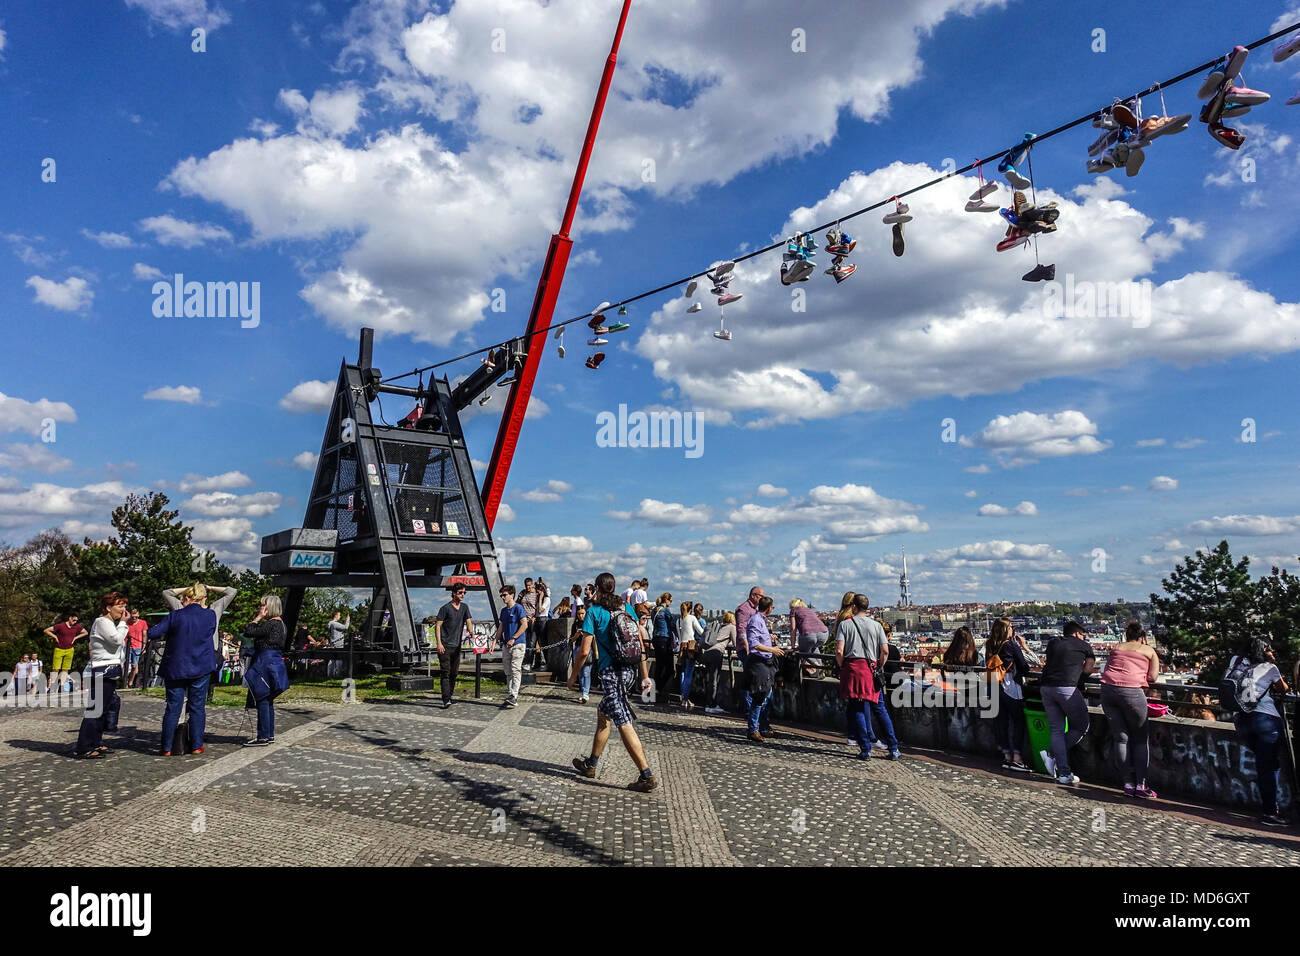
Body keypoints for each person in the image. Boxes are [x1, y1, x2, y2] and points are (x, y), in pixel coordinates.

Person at [567, 572, 658, 792]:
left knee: (623, 721)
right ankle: (591, 764)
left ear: (597, 589)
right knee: (603, 713)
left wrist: (572, 677)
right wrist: (645, 675)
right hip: (629, 672)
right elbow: (640, 645)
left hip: (611, 675)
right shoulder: (626, 609)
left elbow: (584, 651)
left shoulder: (594, 612)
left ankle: (646, 775)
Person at [1224, 637, 1292, 826]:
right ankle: (1270, 812)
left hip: (1241, 721)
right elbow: (1283, 689)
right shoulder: (1270, 668)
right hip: (1265, 721)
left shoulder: (1236, 661)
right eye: (1269, 649)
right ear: (1265, 651)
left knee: (1266, 764)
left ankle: (1271, 806)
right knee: (1268, 767)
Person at [150, 583, 218, 755]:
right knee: (197, 707)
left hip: (176, 666)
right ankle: (196, 744)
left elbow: (153, 633)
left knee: (173, 707)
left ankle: (166, 747)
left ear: (187, 597)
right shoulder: (210, 615)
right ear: (202, 598)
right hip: (201, 665)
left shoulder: (175, 615)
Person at [1100, 622, 1160, 799]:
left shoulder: (1117, 647)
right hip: (1132, 692)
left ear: (1126, 636)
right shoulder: (1148, 650)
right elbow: (1153, 677)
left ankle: (1127, 783)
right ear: (1142, 638)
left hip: (1107, 691)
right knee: (1140, 740)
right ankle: (1141, 786)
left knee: (1121, 738)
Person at [1039, 620, 1096, 785]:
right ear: (1078, 634)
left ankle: (1064, 773)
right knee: (1081, 726)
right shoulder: (1083, 645)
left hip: (1046, 687)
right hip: (1066, 688)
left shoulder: (1053, 643)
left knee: (1056, 730)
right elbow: (1088, 668)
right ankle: (1051, 754)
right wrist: (1080, 677)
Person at [74, 592, 129, 758]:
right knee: (95, 710)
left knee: (103, 710)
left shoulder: (110, 623)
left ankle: (95, 742)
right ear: (108, 608)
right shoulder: (102, 622)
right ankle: (84, 746)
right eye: (120, 606)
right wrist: (124, 624)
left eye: (124, 606)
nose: (123, 610)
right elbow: (116, 640)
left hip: (108, 670)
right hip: (101, 670)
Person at [984, 618, 1034, 772]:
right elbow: (1024, 668)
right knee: (1018, 721)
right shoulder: (1010, 645)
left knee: (1001, 722)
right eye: (1011, 627)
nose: (1013, 629)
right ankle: (1017, 758)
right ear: (1006, 629)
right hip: (1010, 687)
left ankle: (1006, 756)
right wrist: (1024, 648)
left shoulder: (990, 645)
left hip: (993, 686)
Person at [242, 595, 290, 745]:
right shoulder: (282, 624)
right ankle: (269, 734)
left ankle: (262, 736)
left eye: (262, 606)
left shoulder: (270, 624)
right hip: (275, 662)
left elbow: (249, 631)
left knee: (262, 698)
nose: (259, 608)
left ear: (269, 607)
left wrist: (257, 618)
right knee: (268, 699)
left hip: (265, 662)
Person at [742, 596, 784, 741]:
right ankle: (753, 730)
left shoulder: (761, 620)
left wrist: (769, 638)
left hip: (767, 662)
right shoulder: (755, 620)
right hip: (759, 662)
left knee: (768, 695)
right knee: (759, 697)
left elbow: (759, 640)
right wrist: (772, 650)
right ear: (769, 608)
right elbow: (754, 644)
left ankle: (764, 727)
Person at [434, 585, 474, 709]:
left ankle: (450, 696)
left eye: (464, 593)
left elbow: (468, 622)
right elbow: (438, 626)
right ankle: (446, 699)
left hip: (457, 646)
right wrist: (439, 643)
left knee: (454, 673)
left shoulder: (465, 607)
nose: (463, 595)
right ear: (454, 593)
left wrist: (471, 632)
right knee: (445, 672)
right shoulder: (445, 608)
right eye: (460, 592)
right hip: (445, 646)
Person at [491, 584, 528, 708]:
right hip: (506, 645)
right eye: (501, 595)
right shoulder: (503, 611)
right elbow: (501, 627)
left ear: (512, 595)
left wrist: (514, 638)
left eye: (505, 595)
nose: (502, 597)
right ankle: (510, 694)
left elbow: (524, 625)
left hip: (518, 644)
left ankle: (514, 695)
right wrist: (494, 641)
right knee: (507, 671)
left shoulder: (518, 608)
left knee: (515, 668)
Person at [701, 611, 736, 714]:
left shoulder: (720, 627)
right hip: (716, 653)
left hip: (707, 653)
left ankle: (708, 703)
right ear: (731, 619)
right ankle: (712, 705)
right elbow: (735, 643)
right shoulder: (731, 627)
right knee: (715, 679)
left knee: (710, 679)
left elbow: (721, 640)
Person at [44, 613, 87, 693]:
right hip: (59, 649)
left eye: (76, 621)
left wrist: (75, 638)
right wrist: (55, 636)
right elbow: (46, 630)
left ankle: (62, 686)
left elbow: (85, 632)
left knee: (65, 669)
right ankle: (53, 686)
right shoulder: (61, 626)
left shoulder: (76, 626)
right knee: (55, 669)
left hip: (70, 649)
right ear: (70, 618)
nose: (75, 622)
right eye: (74, 620)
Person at [789, 598, 828, 678]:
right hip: (824, 634)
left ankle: (818, 667)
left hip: (809, 634)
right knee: (814, 648)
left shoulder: (794, 610)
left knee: (802, 652)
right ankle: (821, 672)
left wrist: (793, 647)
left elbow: (793, 629)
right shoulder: (809, 610)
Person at [650, 592, 678, 704]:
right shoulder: (665, 610)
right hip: (664, 639)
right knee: (670, 669)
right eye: (670, 601)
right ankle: (658, 689)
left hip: (655, 638)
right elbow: (671, 625)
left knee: (659, 666)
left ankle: (656, 691)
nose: (671, 603)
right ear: (667, 600)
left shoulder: (654, 610)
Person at [678, 601, 704, 709]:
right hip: (690, 648)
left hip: (681, 648)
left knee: (683, 673)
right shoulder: (692, 618)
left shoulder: (679, 620)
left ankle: (683, 697)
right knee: (689, 673)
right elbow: (701, 632)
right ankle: (685, 698)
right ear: (691, 610)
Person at [735, 586, 765, 663]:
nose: (763, 599)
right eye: (761, 596)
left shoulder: (756, 609)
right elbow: (741, 629)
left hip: (755, 647)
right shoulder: (744, 609)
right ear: (753, 596)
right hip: (747, 649)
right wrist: (747, 646)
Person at [570, 604, 592, 702]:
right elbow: (572, 640)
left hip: (588, 649)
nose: (581, 616)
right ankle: (583, 690)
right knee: (579, 671)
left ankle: (585, 693)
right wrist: (577, 635)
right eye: (579, 614)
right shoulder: (575, 624)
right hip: (577, 648)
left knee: (586, 672)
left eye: (582, 614)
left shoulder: (590, 623)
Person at [519, 578, 539, 671]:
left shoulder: (536, 594)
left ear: (532, 585)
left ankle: (529, 663)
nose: (528, 587)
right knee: (523, 641)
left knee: (531, 642)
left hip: (532, 620)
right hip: (523, 620)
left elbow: (538, 607)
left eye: (530, 585)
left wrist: (534, 617)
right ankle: (523, 662)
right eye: (526, 585)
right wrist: (519, 598)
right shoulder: (523, 593)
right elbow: (517, 604)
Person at [124, 609, 148, 688]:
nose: (134, 618)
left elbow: (144, 635)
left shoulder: (142, 623)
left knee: (134, 666)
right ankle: (126, 682)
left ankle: (130, 682)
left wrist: (144, 646)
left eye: (136, 616)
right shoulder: (127, 622)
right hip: (126, 645)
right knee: (124, 664)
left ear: (138, 615)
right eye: (133, 616)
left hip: (137, 646)